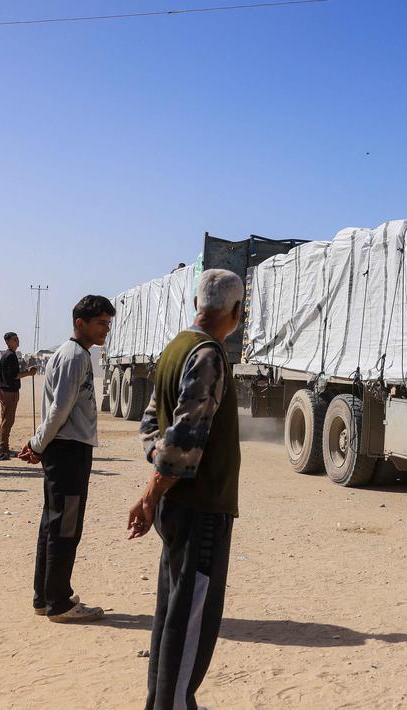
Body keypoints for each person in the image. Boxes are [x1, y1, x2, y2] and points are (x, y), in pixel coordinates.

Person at [129, 270, 244, 709]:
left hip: (178, 506)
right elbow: (183, 442)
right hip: (200, 509)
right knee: (191, 619)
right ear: (236, 311)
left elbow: (150, 425)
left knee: (172, 612)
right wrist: (152, 493)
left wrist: (154, 490)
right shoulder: (208, 354)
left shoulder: (176, 347)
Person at [19, 295, 115, 623]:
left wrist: (39, 444)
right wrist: (37, 444)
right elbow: (60, 408)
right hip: (69, 450)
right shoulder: (74, 356)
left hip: (64, 448)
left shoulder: (71, 354)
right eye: (100, 323)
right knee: (65, 526)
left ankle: (45, 596)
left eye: (108, 323)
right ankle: (59, 603)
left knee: (53, 523)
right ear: (80, 323)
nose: (105, 329)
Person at [0, 331, 39, 460]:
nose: (17, 341)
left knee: (6, 421)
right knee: (7, 421)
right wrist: (29, 373)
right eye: (14, 339)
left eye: (17, 339)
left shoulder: (9, 355)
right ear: (7, 342)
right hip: (9, 392)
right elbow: (15, 375)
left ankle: (4, 448)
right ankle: (3, 450)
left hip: (8, 391)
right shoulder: (10, 356)